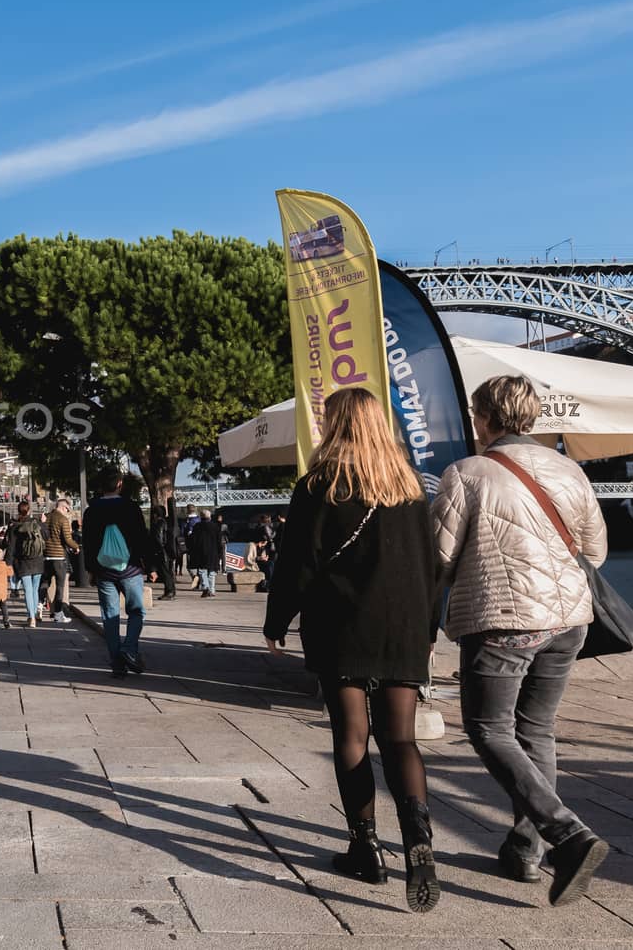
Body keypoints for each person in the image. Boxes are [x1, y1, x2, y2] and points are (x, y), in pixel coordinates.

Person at [265, 387, 443, 912]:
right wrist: (427, 628)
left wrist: (277, 621)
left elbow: (297, 561)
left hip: (342, 623)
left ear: (337, 423)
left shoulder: (321, 485)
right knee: (402, 740)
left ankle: (365, 847)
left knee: (352, 736)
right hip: (403, 627)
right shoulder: (408, 486)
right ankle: (420, 845)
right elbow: (429, 567)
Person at [433, 374, 609, 906]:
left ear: (482, 417)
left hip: (503, 618)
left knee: (488, 728)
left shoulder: (465, 473)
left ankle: (567, 834)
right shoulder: (569, 471)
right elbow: (595, 553)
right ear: (531, 417)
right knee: (537, 730)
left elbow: (439, 557)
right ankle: (525, 850)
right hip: (569, 620)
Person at [82, 468, 164, 677]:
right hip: (131, 568)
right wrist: (152, 566)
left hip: (104, 571)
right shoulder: (131, 508)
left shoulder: (91, 511)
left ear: (101, 486)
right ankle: (129, 649)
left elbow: (88, 543)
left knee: (110, 616)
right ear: (120, 484)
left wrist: (91, 570)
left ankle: (117, 665)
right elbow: (142, 538)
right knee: (136, 611)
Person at [8, 501, 46, 626]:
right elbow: (46, 537)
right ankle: (34, 613)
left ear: (18, 511)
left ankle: (31, 617)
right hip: (38, 559)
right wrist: (43, 523)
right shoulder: (37, 524)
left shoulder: (15, 526)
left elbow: (11, 546)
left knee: (28, 590)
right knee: (35, 589)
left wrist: (8, 563)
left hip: (22, 561)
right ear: (29, 511)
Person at [42, 499, 81, 622]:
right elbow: (67, 539)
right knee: (60, 586)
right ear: (64, 508)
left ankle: (39, 604)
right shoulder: (63, 520)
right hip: (59, 556)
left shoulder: (46, 518)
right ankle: (58, 614)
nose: (68, 512)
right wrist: (76, 547)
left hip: (46, 555)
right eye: (68, 509)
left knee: (45, 583)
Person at [186, 510, 222, 597]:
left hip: (200, 552)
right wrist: (219, 552)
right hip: (213, 552)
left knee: (202, 570)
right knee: (212, 572)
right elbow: (219, 541)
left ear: (201, 517)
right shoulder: (215, 526)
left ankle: (205, 587)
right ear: (209, 517)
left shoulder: (197, 526)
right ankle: (212, 590)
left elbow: (193, 540)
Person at [152, 510, 179, 601]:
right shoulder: (167, 522)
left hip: (162, 551)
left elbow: (158, 537)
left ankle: (169, 592)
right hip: (168, 550)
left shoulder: (159, 523)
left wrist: (157, 548)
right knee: (168, 571)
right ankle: (171, 591)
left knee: (165, 572)